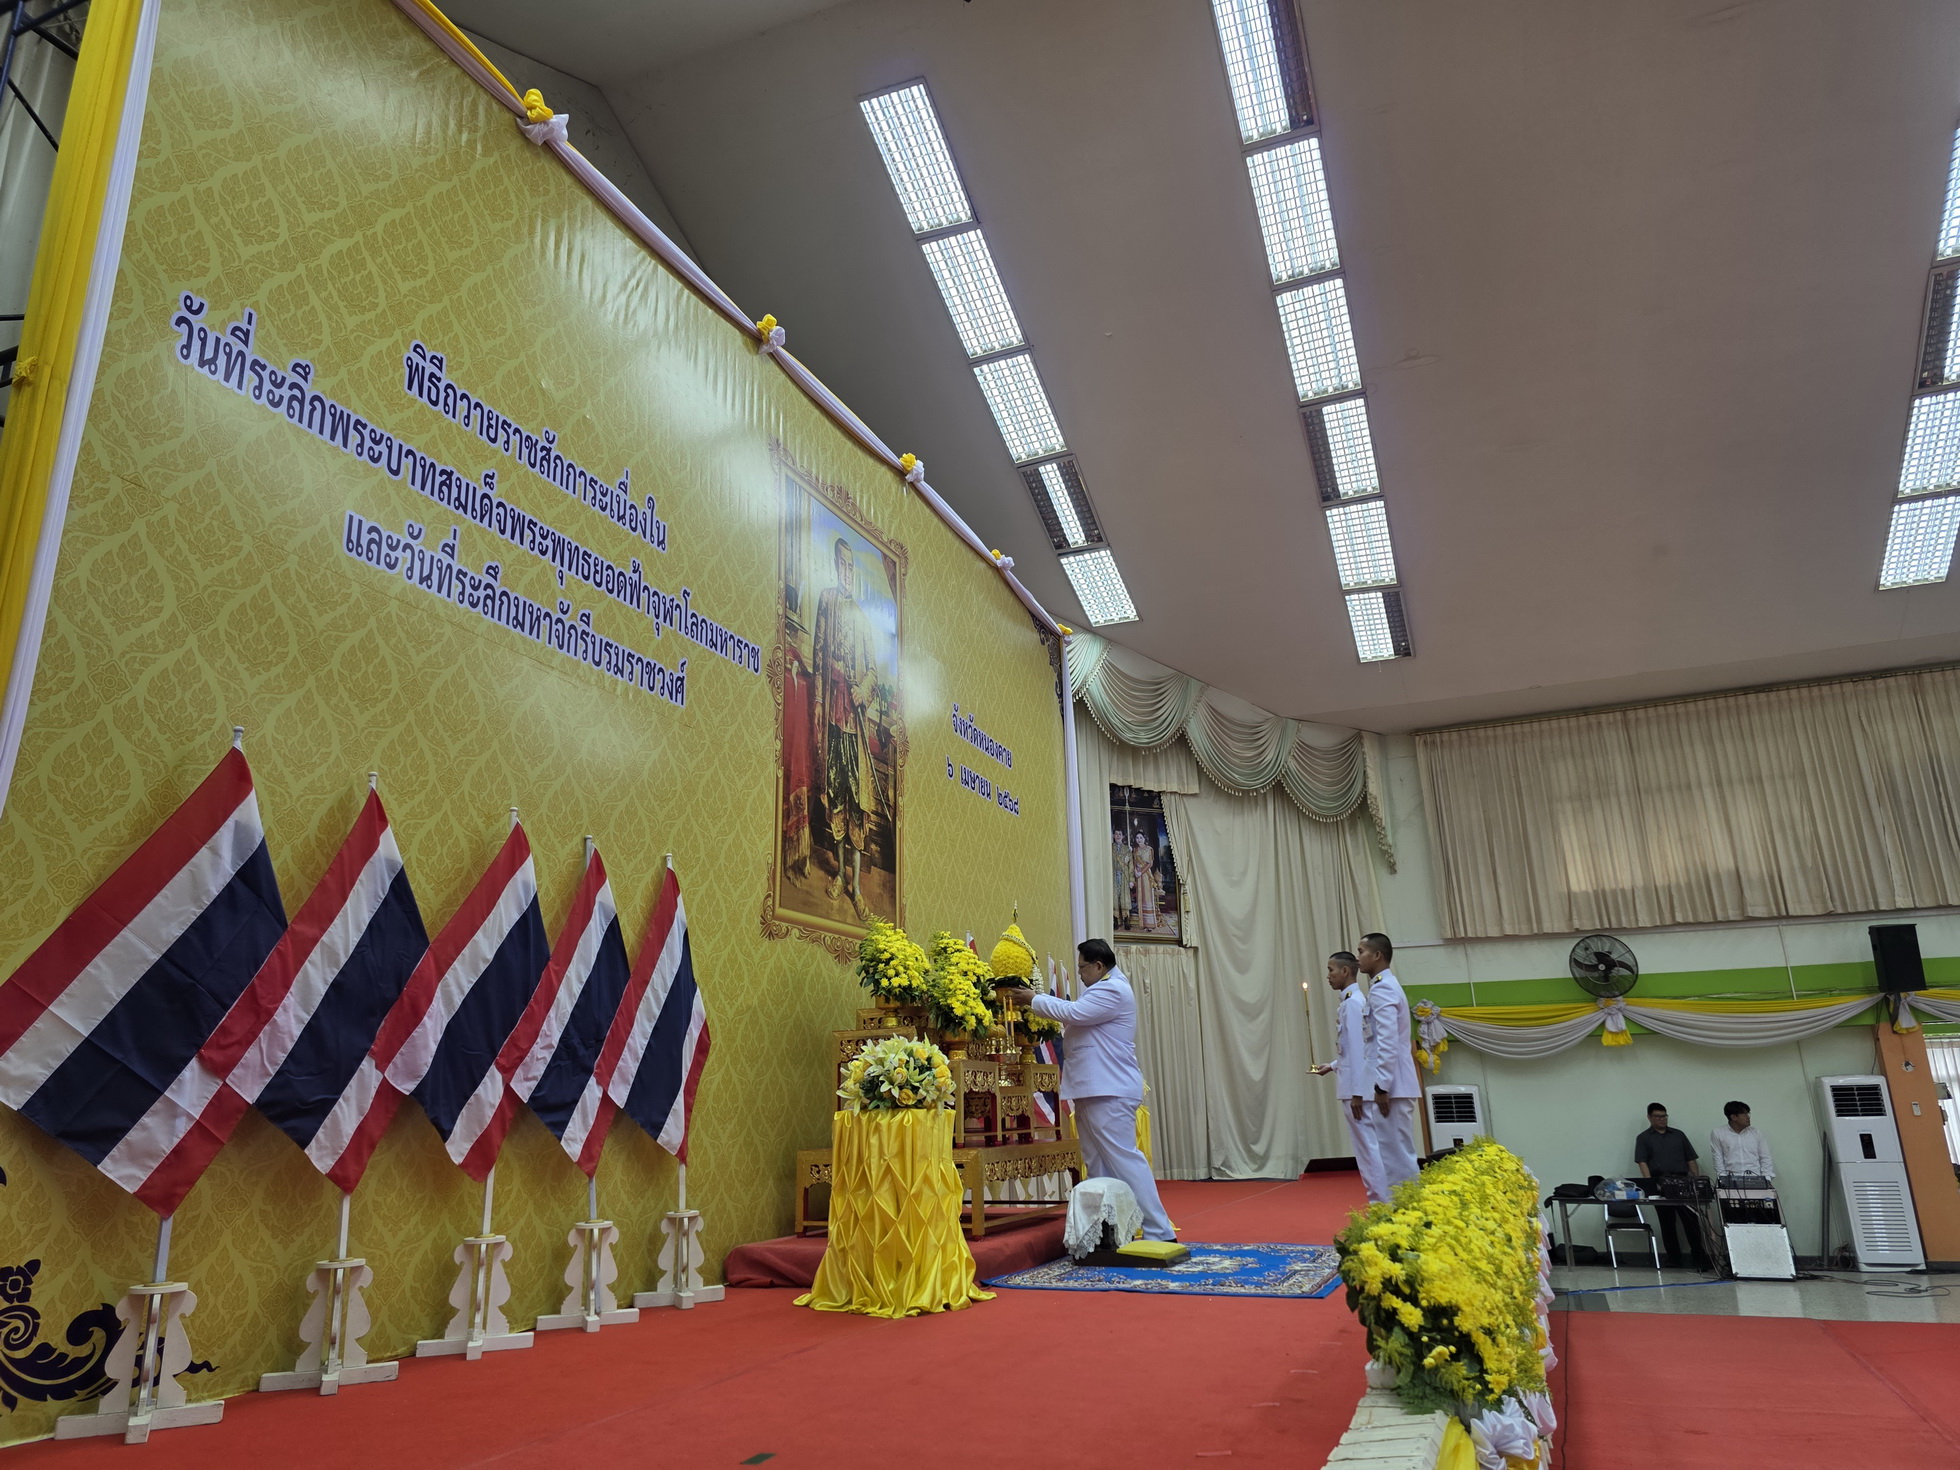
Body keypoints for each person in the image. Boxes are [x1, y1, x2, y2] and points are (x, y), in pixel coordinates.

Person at [999, 939, 1174, 1241]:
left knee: (1123, 1160)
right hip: (1095, 1089)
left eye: (1082, 967)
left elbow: (1076, 1013)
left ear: (1098, 966)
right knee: (1098, 1164)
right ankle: (1108, 1231)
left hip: (1110, 1089)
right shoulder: (1102, 989)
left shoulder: (1112, 989)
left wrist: (1032, 999)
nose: (1079, 973)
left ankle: (1160, 1230)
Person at [811, 536, 880, 918]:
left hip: (854, 718)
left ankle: (855, 886)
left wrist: (863, 689)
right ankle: (838, 873)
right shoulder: (825, 601)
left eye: (852, 566)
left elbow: (873, 671)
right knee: (835, 793)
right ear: (834, 565)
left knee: (857, 801)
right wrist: (820, 701)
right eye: (842, 564)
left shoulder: (865, 621)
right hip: (833, 713)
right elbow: (819, 655)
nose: (847, 571)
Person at [1311, 952, 1386, 1203]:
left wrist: (1357, 1092)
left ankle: (1380, 1202)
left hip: (1356, 1091)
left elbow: (1359, 1049)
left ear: (1345, 971)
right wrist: (1332, 1066)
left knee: (1367, 1149)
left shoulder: (1353, 1003)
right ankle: (1379, 1199)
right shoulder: (1349, 1001)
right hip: (1352, 1085)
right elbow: (1350, 1048)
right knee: (1365, 1148)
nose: (1328, 976)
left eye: (1332, 970)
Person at [1358, 933, 1422, 1193]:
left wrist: (1382, 1086)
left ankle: (1409, 1218)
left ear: (1377, 955)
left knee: (1397, 1160)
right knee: (1394, 1155)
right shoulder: (1384, 985)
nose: (1358, 957)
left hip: (1391, 1087)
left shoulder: (1383, 988)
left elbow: (1387, 1042)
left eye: (1362, 951)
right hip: (1394, 1085)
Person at [1634, 1103, 1709, 1269]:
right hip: (1660, 1183)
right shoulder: (1644, 1138)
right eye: (1658, 1116)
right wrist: (1649, 1184)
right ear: (1650, 1117)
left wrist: (1695, 1180)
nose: (1662, 1119)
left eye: (1664, 1116)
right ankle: (1674, 1258)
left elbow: (1691, 1159)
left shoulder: (1678, 1135)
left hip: (1683, 1182)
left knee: (1691, 1221)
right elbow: (1642, 1162)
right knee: (1667, 1223)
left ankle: (1700, 1257)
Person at [1708, 1100, 1774, 1181]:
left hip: (1755, 1179)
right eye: (1745, 1114)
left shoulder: (1756, 1133)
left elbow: (1765, 1157)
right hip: (1731, 1180)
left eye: (1748, 1113)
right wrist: (1723, 1180)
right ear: (1734, 1117)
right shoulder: (1718, 1133)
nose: (1748, 1117)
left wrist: (1767, 1178)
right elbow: (1718, 1159)